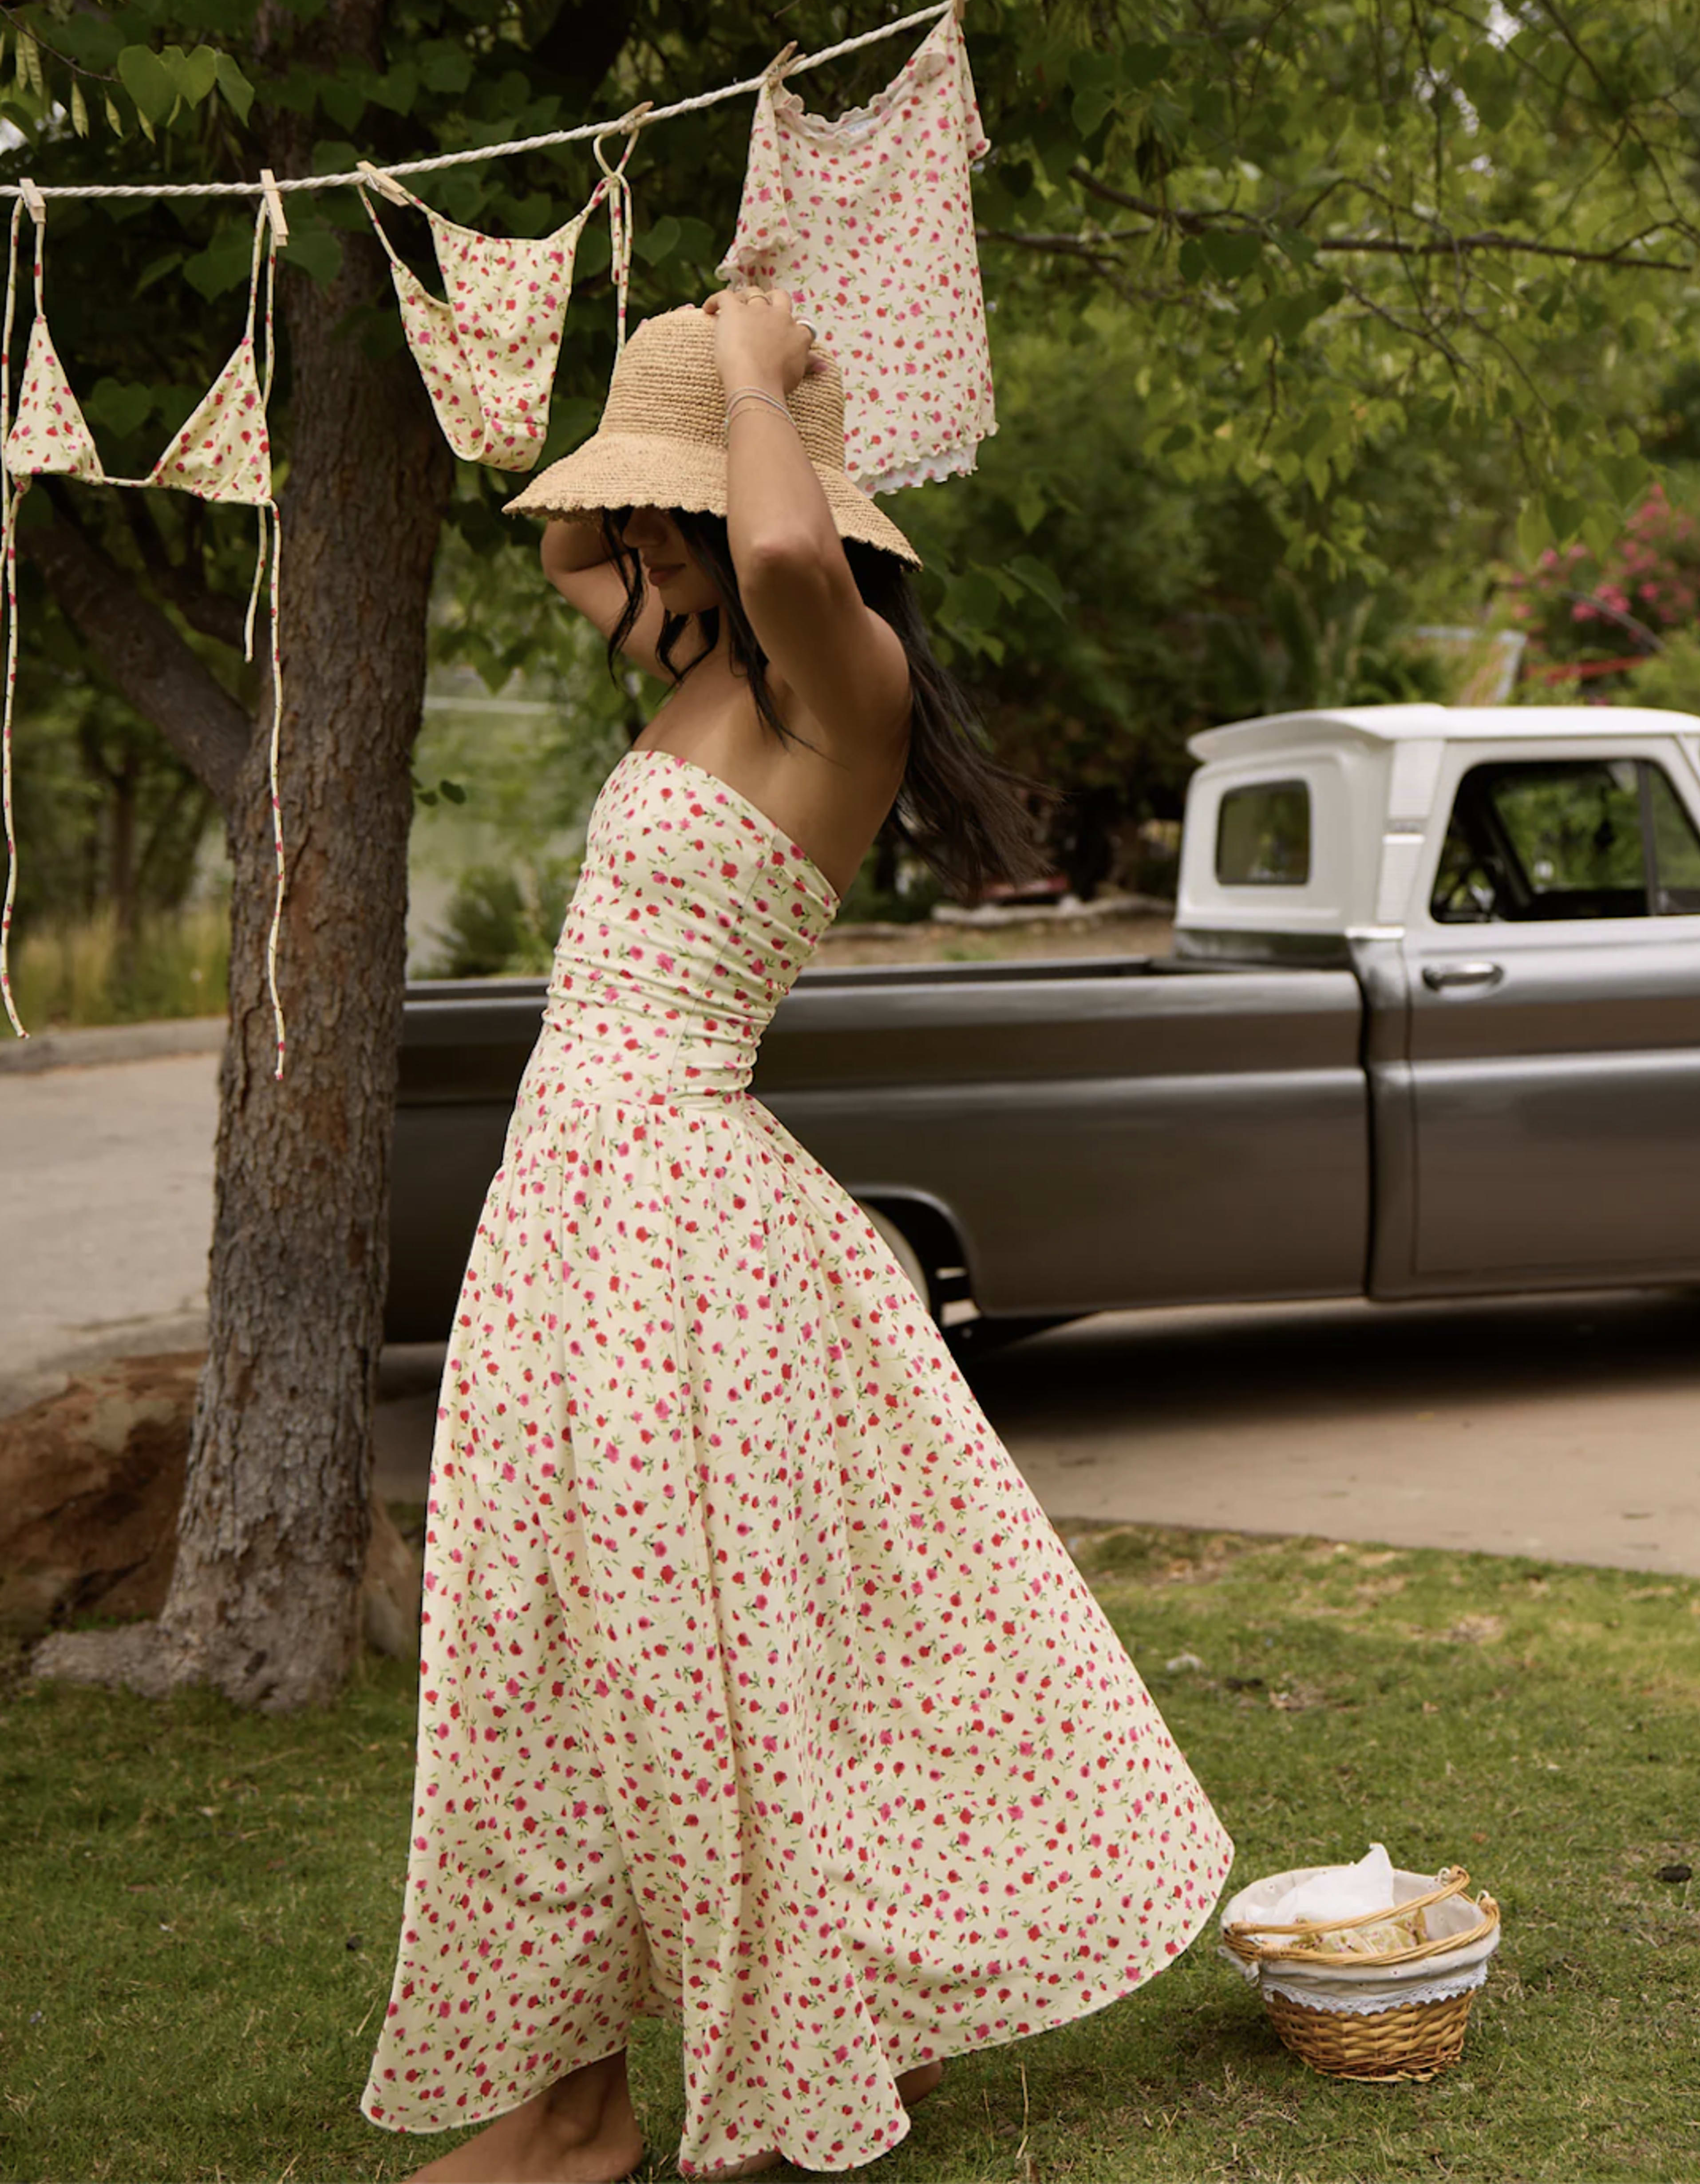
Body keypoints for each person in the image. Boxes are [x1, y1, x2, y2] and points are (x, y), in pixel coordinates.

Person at [363, 289, 1233, 2184]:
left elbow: (772, 537)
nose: (625, 551)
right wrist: (675, 374)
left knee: (710, 1663)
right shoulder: (695, 666)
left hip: (678, 1218)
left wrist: (752, 391)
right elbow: (578, 541)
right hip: (574, 1214)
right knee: (554, 1657)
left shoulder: (837, 682)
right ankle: (573, 2097)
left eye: (661, 511)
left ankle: (776, 2066)